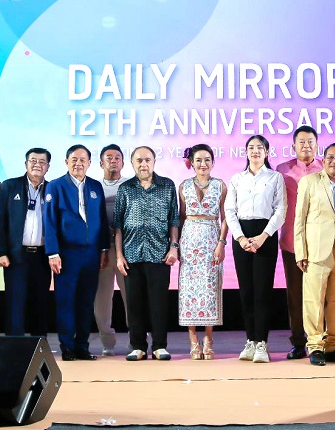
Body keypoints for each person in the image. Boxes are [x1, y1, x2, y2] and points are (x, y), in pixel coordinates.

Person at [294, 143, 335, 366]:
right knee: (313, 300)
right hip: (315, 251)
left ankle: (333, 347)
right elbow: (300, 219)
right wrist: (301, 251)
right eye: (330, 157)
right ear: (323, 161)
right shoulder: (309, 182)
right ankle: (315, 347)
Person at [44, 144, 109, 361]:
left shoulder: (95, 186)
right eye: (74, 159)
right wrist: (53, 252)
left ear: (89, 163)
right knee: (66, 301)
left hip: (91, 254)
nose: (78, 163)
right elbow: (49, 221)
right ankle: (67, 347)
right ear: (66, 162)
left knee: (86, 302)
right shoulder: (55, 186)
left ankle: (82, 346)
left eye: (83, 160)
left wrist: (103, 248)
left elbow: (102, 219)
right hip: (66, 254)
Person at [224, 135, 286, 364]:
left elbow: (280, 210)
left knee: (262, 291)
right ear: (246, 152)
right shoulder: (236, 179)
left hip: (265, 234)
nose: (255, 151)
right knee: (246, 291)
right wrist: (240, 238)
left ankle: (262, 343)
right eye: (251, 147)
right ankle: (250, 340)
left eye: (260, 147)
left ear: (267, 152)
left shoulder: (275, 177)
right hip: (241, 235)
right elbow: (229, 210)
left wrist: (263, 236)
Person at [114, 146, 180, 361]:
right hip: (131, 254)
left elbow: (174, 219)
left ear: (154, 161)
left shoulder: (167, 186)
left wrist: (174, 247)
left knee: (159, 302)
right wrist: (119, 255)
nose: (143, 164)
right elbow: (118, 225)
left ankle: (160, 346)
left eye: (147, 160)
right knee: (134, 303)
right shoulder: (125, 189)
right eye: (139, 160)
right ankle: (138, 346)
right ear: (132, 163)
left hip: (159, 254)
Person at [0, 148, 52, 337]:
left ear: (48, 167)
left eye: (42, 161)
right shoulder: (9, 186)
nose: (37, 164)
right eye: (33, 160)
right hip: (16, 255)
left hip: (42, 256)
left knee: (40, 301)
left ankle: (39, 343)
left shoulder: (53, 189)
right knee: (15, 301)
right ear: (26, 164)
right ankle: (14, 343)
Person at [276, 125, 323, 360]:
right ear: (293, 145)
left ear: (317, 145)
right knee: (295, 295)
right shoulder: (282, 169)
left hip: (319, 242)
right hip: (291, 241)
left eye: (310, 141)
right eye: (301, 142)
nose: (306, 145)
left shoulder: (325, 168)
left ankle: (319, 342)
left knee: (319, 295)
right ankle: (297, 343)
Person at [178, 144, 228, 360]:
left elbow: (225, 217)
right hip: (189, 242)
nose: (203, 164)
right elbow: (181, 217)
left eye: (207, 159)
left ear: (213, 162)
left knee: (210, 288)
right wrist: (177, 245)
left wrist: (221, 243)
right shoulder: (183, 186)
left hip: (211, 240)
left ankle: (208, 338)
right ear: (191, 162)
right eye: (198, 160)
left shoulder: (220, 186)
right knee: (189, 291)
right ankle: (193, 341)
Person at [94, 144, 129, 356]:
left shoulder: (131, 185)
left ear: (123, 163)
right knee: (101, 300)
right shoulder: (93, 186)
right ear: (101, 163)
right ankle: (107, 342)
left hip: (126, 250)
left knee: (131, 298)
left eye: (117, 157)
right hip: (102, 250)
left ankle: (137, 340)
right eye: (109, 157)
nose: (113, 160)